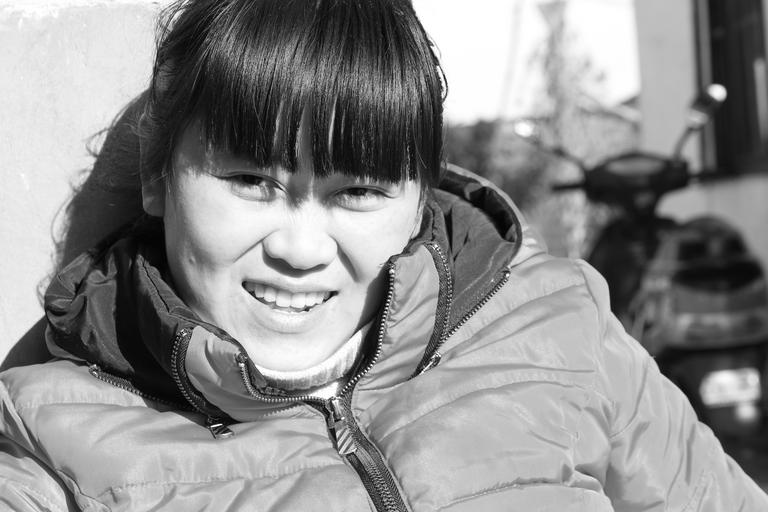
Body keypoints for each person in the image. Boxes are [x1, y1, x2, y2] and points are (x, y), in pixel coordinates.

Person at [1, 0, 766, 510]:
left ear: (421, 196)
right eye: (250, 182)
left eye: (358, 192)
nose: (299, 249)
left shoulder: (560, 322)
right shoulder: (50, 439)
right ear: (158, 178)